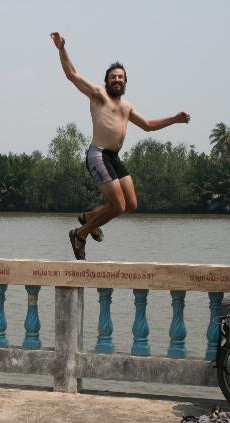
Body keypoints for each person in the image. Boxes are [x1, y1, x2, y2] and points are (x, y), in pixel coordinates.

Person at [50, 32, 190, 260]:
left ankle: (88, 218)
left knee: (131, 204)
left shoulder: (126, 106)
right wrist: (61, 48)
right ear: (107, 81)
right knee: (118, 206)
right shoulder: (98, 95)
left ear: (125, 82)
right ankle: (80, 233)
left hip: (114, 157)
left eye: (121, 77)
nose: (117, 80)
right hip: (98, 155)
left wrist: (174, 119)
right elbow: (72, 74)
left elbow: (148, 126)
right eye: (113, 77)